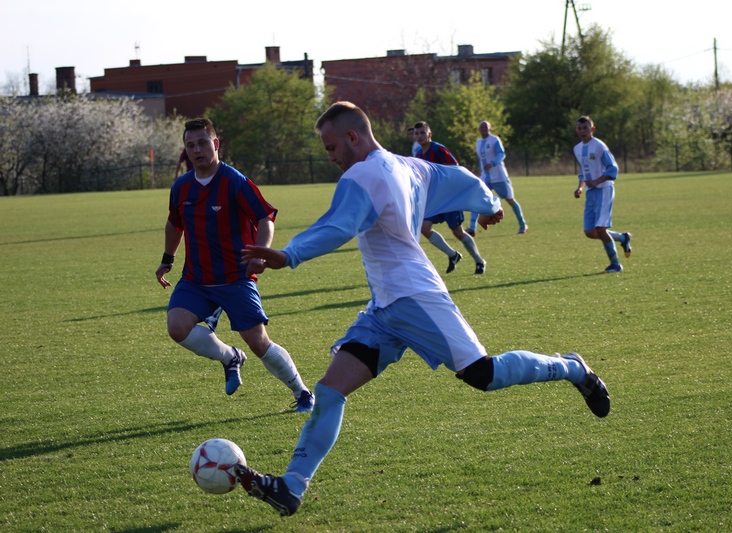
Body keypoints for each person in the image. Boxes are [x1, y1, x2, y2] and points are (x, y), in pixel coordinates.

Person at [232, 102, 611, 517]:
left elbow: (339, 224)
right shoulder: (410, 166)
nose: (331, 157)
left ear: (353, 137)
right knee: (329, 390)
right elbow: (460, 177)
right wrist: (489, 203)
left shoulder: (364, 174)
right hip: (384, 308)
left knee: (484, 375)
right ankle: (292, 486)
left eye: (331, 147)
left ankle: (573, 368)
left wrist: (289, 254)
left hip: (415, 297)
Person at [155, 117, 314, 412]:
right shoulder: (181, 187)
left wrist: (260, 253)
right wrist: (167, 259)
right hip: (196, 279)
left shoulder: (235, 181)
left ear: (215, 144)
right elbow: (174, 224)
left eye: (202, 143)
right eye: (190, 145)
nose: (197, 150)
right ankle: (230, 357)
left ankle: (302, 392)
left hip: (236, 277)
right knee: (177, 327)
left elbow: (265, 217)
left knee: (258, 342)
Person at [414, 121, 487, 275]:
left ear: (429, 134)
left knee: (458, 232)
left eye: (422, 133)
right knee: (424, 228)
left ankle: (479, 261)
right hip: (434, 199)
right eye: (417, 133)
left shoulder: (438, 149)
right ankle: (453, 255)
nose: (420, 136)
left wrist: (440, 176)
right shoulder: (419, 155)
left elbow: (455, 166)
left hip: (449, 197)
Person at [572, 116, 632, 273]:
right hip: (590, 192)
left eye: (586, 128)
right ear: (576, 131)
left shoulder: (599, 146)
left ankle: (615, 265)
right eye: (580, 128)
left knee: (600, 228)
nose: (582, 131)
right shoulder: (577, 149)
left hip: (604, 189)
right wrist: (580, 188)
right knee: (590, 232)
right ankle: (622, 238)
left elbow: (613, 168)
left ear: (592, 129)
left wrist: (597, 181)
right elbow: (583, 171)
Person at [468, 121, 528, 236]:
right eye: (481, 127)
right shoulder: (478, 142)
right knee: (477, 199)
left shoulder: (494, 140)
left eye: (486, 126)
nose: (483, 128)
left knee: (510, 200)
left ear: (490, 129)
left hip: (499, 176)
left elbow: (501, 154)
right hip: (485, 177)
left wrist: (492, 163)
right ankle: (472, 228)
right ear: (478, 129)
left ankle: (523, 224)